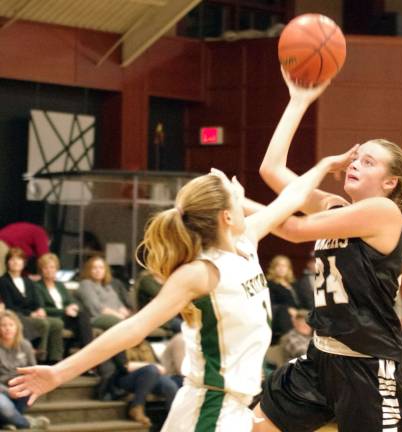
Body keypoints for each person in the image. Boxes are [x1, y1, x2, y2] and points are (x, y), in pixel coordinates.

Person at [8, 148, 355, 432]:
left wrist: (325, 164)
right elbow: (134, 328)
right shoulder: (200, 273)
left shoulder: (246, 240)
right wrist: (59, 372)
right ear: (226, 217)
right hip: (209, 408)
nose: (241, 196)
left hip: (233, 406)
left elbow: (289, 199)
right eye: (236, 198)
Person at [246, 69, 402, 432]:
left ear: (389, 182)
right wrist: (299, 100)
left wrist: (236, 203)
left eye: (368, 162)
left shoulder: (383, 212)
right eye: (355, 157)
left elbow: (292, 228)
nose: (354, 164)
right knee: (254, 427)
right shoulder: (336, 207)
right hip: (321, 358)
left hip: (368, 366)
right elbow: (271, 170)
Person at [0, 248, 64, 363]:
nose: (16, 262)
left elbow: (36, 300)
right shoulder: (3, 281)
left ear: (24, 263)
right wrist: (31, 313)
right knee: (43, 323)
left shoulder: (27, 281)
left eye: (19, 259)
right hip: (17, 315)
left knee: (57, 323)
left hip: (32, 314)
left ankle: (55, 359)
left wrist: (39, 309)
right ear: (7, 262)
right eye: (12, 259)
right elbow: (9, 306)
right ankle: (40, 358)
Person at [0, 310, 50, 430]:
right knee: (3, 406)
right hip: (2, 388)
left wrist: (24, 387)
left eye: (11, 325)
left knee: (11, 407)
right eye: (3, 325)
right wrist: (8, 392)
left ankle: (7, 422)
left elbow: (34, 370)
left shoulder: (25, 345)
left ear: (17, 327)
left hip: (22, 387)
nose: (7, 328)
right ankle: (28, 423)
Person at [34, 253, 94, 350]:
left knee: (82, 315)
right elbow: (42, 308)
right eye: (46, 268)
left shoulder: (60, 285)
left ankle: (87, 349)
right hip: (53, 317)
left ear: (56, 269)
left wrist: (73, 306)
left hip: (66, 317)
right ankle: (89, 350)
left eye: (52, 267)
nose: (49, 270)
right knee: (81, 322)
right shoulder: (37, 286)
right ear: (41, 270)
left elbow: (70, 301)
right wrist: (64, 310)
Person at [76, 256, 132, 331]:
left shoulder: (107, 285)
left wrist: (123, 310)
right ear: (89, 270)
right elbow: (96, 308)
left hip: (115, 316)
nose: (98, 270)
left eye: (101, 268)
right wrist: (117, 315)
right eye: (94, 268)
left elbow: (118, 303)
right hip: (97, 318)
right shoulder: (86, 284)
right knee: (121, 323)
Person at [266, 255, 299, 341]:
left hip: (297, 314)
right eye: (278, 266)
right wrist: (288, 309)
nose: (281, 268)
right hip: (282, 316)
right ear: (273, 268)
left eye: (284, 266)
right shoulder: (271, 284)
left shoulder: (293, 283)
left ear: (288, 269)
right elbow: (270, 304)